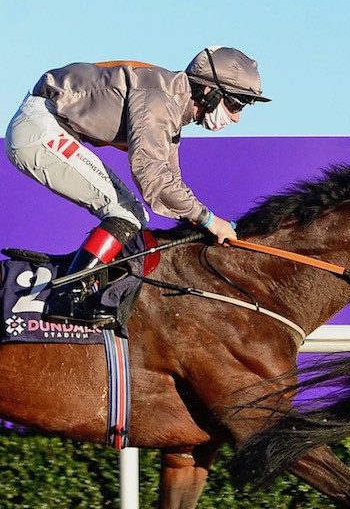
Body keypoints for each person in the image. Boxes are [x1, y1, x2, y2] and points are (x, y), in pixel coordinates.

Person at [6, 47, 269, 325]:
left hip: (51, 125)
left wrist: (198, 222)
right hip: (41, 126)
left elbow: (170, 181)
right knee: (125, 213)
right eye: (236, 105)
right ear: (208, 91)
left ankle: (75, 288)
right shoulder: (160, 99)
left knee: (133, 214)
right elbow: (152, 176)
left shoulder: (172, 106)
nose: (237, 117)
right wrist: (210, 220)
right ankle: (67, 296)